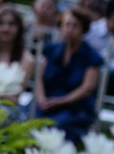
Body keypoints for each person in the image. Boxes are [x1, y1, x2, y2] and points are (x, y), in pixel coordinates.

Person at [35, 8, 102, 145]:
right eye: (67, 25)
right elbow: (39, 78)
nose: (70, 29)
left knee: (57, 126)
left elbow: (88, 88)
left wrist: (61, 101)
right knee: (28, 119)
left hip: (74, 107)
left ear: (83, 29)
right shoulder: (51, 50)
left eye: (75, 26)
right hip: (47, 102)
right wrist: (41, 98)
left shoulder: (91, 56)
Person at [0, 5, 36, 119]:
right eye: (1, 23)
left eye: (11, 24)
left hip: (6, 109)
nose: (5, 28)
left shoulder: (27, 59)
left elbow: (14, 96)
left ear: (19, 28)